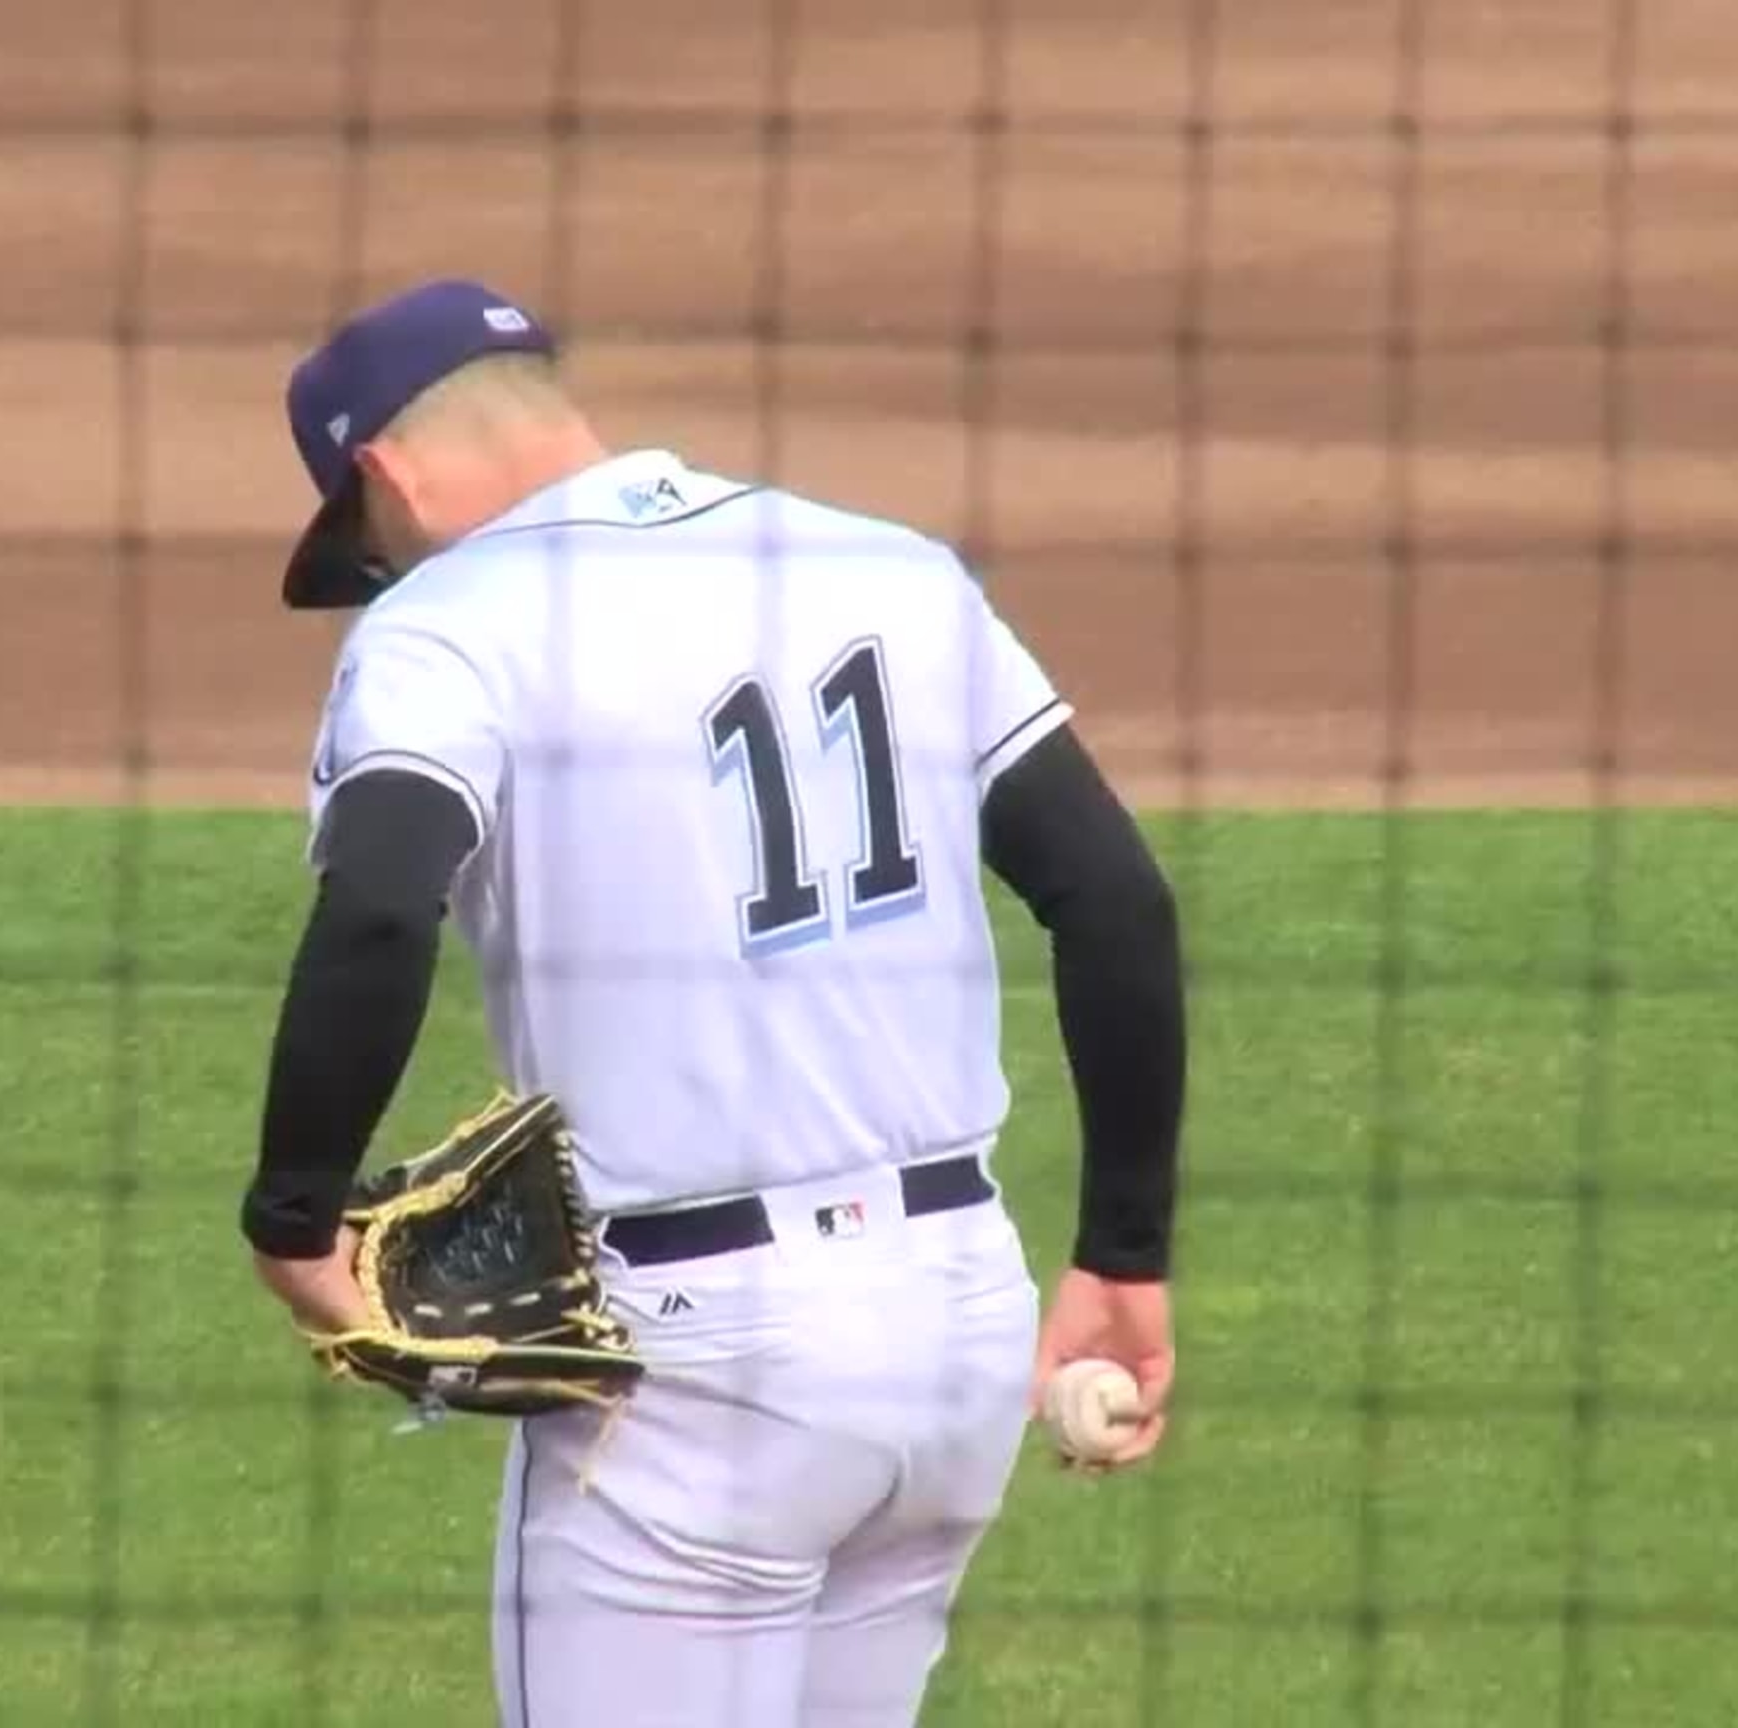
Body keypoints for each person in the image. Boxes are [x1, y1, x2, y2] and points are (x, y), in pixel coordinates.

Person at [234, 278, 1187, 1728]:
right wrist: (1123, 1252)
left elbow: (378, 902)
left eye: (367, 551)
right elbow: (1115, 901)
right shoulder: (888, 571)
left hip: (702, 1375)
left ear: (385, 473)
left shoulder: (447, 626)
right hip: (955, 1332)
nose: (380, 579)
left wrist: (294, 1214)